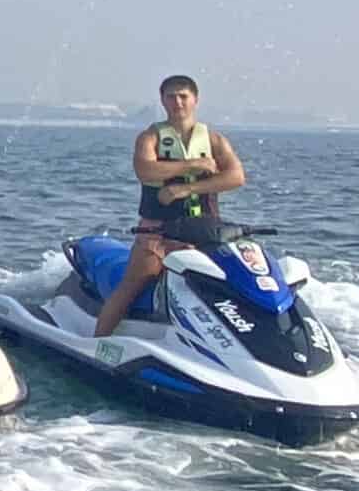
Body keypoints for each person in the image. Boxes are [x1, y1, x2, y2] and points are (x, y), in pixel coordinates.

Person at [92, 74, 247, 336]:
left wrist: (186, 188)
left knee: (229, 288)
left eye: (183, 96)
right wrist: (194, 164)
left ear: (195, 100)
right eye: (171, 96)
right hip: (158, 232)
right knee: (134, 285)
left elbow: (235, 177)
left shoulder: (214, 140)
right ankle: (98, 341)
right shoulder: (150, 138)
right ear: (162, 101)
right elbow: (146, 170)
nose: (177, 102)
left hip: (203, 231)